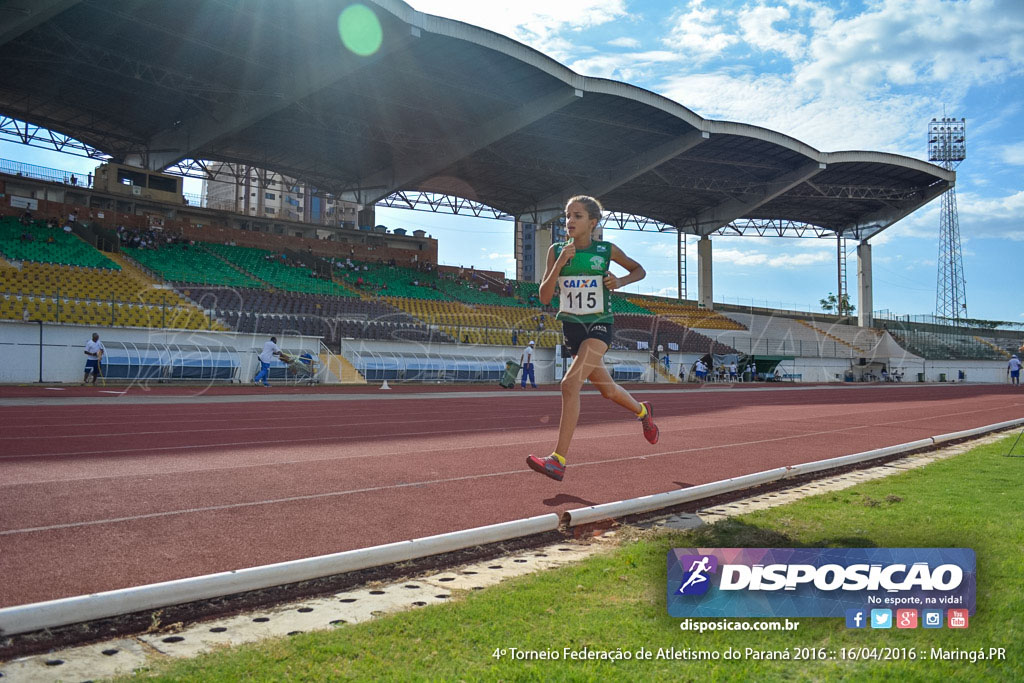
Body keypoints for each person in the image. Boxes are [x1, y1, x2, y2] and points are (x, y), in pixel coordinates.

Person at [526, 196, 659, 482]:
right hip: (571, 328)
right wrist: (560, 262)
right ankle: (642, 411)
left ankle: (558, 460)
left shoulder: (605, 250)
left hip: (599, 326)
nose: (569, 221)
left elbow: (639, 269)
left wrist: (619, 282)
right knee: (608, 391)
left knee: (570, 383)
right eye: (567, 216)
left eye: (577, 216)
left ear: (592, 223)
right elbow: (545, 296)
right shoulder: (557, 250)